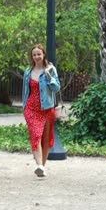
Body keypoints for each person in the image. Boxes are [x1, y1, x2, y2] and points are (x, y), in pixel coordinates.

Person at [21, 44, 61, 178]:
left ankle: (42, 167)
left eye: (39, 54)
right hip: (31, 108)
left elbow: (56, 89)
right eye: (34, 54)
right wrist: (24, 106)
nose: (37, 56)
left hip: (47, 108)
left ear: (43, 54)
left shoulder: (50, 69)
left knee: (46, 139)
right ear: (32, 57)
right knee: (36, 135)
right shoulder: (28, 72)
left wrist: (49, 76)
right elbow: (26, 91)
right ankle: (39, 165)